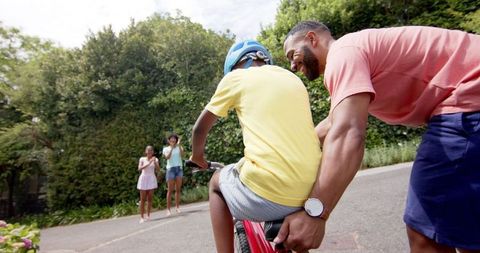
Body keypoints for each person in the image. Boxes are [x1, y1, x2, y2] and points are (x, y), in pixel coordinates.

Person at [278, 21, 480, 252]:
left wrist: (315, 213)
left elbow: (347, 133)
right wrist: (288, 150)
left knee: (426, 230)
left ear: (312, 38)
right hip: (470, 98)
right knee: (463, 230)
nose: (292, 65)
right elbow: (334, 122)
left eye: (292, 54)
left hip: (468, 98)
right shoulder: (353, 53)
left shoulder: (343, 54)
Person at [190, 39, 322, 253]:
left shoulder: (236, 78)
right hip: (313, 191)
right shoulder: (291, 78)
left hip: (271, 191)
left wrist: (198, 159)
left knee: (216, 184)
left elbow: (199, 130)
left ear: (233, 66)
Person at [162, 134, 184, 215]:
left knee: (178, 189)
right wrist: (171, 148)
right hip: (170, 169)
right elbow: (167, 157)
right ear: (169, 141)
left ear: (176, 140)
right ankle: (168, 209)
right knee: (170, 190)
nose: (173, 141)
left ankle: (177, 207)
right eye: (171, 140)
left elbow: (182, 155)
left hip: (179, 168)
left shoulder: (179, 147)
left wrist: (179, 145)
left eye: (174, 139)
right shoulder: (166, 149)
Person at [137, 145, 160, 223]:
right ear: (145, 151)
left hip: (151, 178)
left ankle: (148, 215)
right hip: (143, 178)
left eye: (151, 150)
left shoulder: (155, 159)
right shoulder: (142, 159)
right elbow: (139, 168)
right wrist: (149, 162)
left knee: (150, 198)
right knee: (142, 199)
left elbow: (158, 169)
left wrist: (154, 162)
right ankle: (142, 217)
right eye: (148, 150)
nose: (149, 151)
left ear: (153, 152)